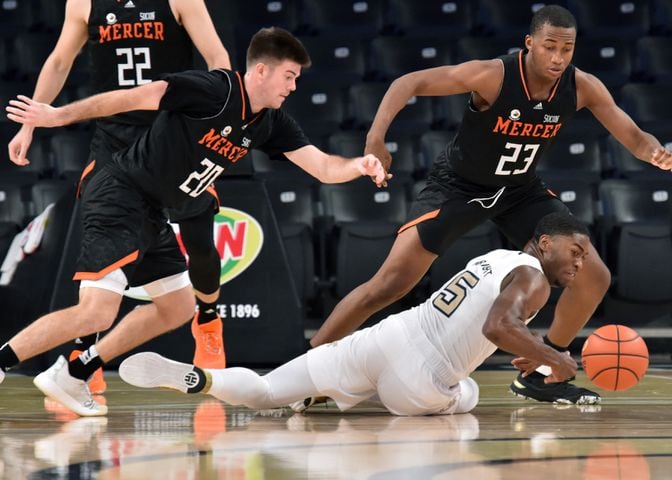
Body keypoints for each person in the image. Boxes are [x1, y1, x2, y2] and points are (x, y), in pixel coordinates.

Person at [1, 27, 388, 416]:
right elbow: (131, 97)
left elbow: (321, 166)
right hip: (121, 193)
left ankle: (75, 372)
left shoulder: (270, 123)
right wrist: (57, 116)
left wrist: (359, 165)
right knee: (97, 312)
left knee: (179, 307)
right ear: (261, 72)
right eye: (289, 76)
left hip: (155, 210)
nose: (293, 86)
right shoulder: (213, 90)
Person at [305, 4, 672, 406]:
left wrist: (654, 151)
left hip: (521, 190)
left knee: (594, 275)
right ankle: (309, 372)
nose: (557, 57)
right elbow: (407, 82)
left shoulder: (582, 86)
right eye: (549, 46)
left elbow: (634, 136)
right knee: (389, 285)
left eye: (566, 49)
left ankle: (539, 373)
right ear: (529, 43)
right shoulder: (493, 75)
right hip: (459, 186)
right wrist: (375, 140)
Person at [118, 212, 588, 415]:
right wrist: (556, 359)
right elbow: (497, 326)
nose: (579, 263)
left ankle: (204, 380)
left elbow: (498, 324)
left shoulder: (494, 258)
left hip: (388, 336)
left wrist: (528, 345)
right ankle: (342, 394)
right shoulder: (534, 278)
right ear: (545, 242)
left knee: (264, 393)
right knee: (468, 397)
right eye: (575, 251)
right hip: (421, 378)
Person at [6, 0, 232, 386]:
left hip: (172, 136)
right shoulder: (82, 3)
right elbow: (60, 61)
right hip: (116, 142)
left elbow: (218, 59)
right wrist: (29, 125)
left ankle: (208, 321)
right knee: (107, 251)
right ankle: (83, 350)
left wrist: (218, 110)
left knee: (199, 241)